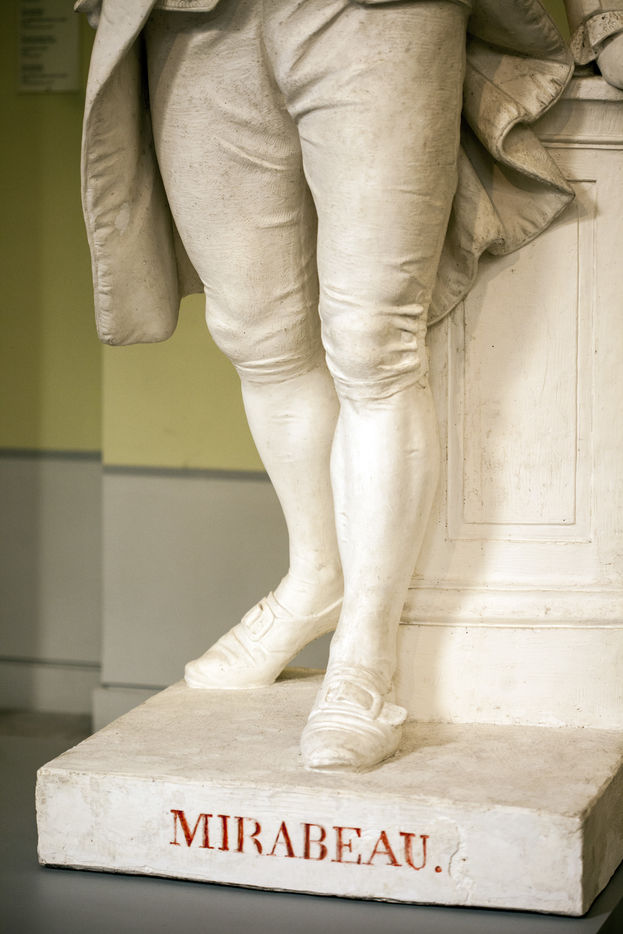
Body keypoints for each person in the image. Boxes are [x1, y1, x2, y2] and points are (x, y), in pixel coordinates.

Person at [76, 0, 623, 772]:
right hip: (190, 17)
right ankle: (314, 579)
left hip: (381, 11)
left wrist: (604, 16)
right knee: (256, 337)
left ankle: (365, 652)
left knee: (374, 344)